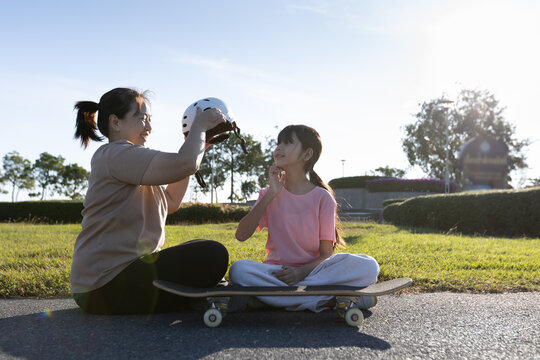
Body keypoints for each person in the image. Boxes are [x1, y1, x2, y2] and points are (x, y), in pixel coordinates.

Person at [70, 87, 229, 315]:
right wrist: (200, 127)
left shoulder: (132, 162)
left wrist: (200, 144)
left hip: (115, 280)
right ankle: (194, 295)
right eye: (142, 119)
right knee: (213, 254)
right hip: (103, 288)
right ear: (116, 122)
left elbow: (171, 201)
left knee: (200, 245)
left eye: (149, 120)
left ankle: (189, 295)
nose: (149, 127)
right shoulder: (115, 154)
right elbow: (185, 163)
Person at [229, 125, 379, 312]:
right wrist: (270, 195)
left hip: (314, 272)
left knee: (369, 265)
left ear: (307, 155)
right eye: (278, 143)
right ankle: (326, 299)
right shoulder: (268, 194)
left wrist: (301, 272)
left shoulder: (323, 198)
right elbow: (241, 235)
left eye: (287, 143)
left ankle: (276, 299)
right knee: (239, 270)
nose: (279, 148)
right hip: (278, 274)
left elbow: (325, 254)